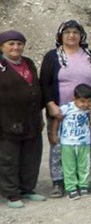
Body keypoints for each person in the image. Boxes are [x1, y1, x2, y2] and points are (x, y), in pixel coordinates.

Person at [40, 20, 91, 198]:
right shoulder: (52, 57)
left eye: (75, 32)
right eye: (67, 32)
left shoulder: (90, 55)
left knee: (86, 145)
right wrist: (50, 104)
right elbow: (44, 83)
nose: (71, 35)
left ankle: (82, 180)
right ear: (60, 36)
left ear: (81, 35)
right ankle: (59, 181)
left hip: (87, 110)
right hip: (61, 111)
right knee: (59, 146)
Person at [0, 31, 47, 208]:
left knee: (31, 156)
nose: (16, 47)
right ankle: (11, 193)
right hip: (6, 120)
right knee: (9, 158)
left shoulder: (28, 62)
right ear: (2, 46)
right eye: (11, 43)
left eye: (19, 43)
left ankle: (27, 188)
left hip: (31, 118)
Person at [49, 84, 91, 200]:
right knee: (69, 166)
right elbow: (57, 120)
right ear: (74, 98)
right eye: (82, 101)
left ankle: (83, 185)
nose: (85, 104)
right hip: (67, 143)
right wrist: (54, 134)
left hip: (83, 143)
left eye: (89, 101)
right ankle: (71, 187)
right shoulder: (66, 108)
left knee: (84, 165)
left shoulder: (89, 110)